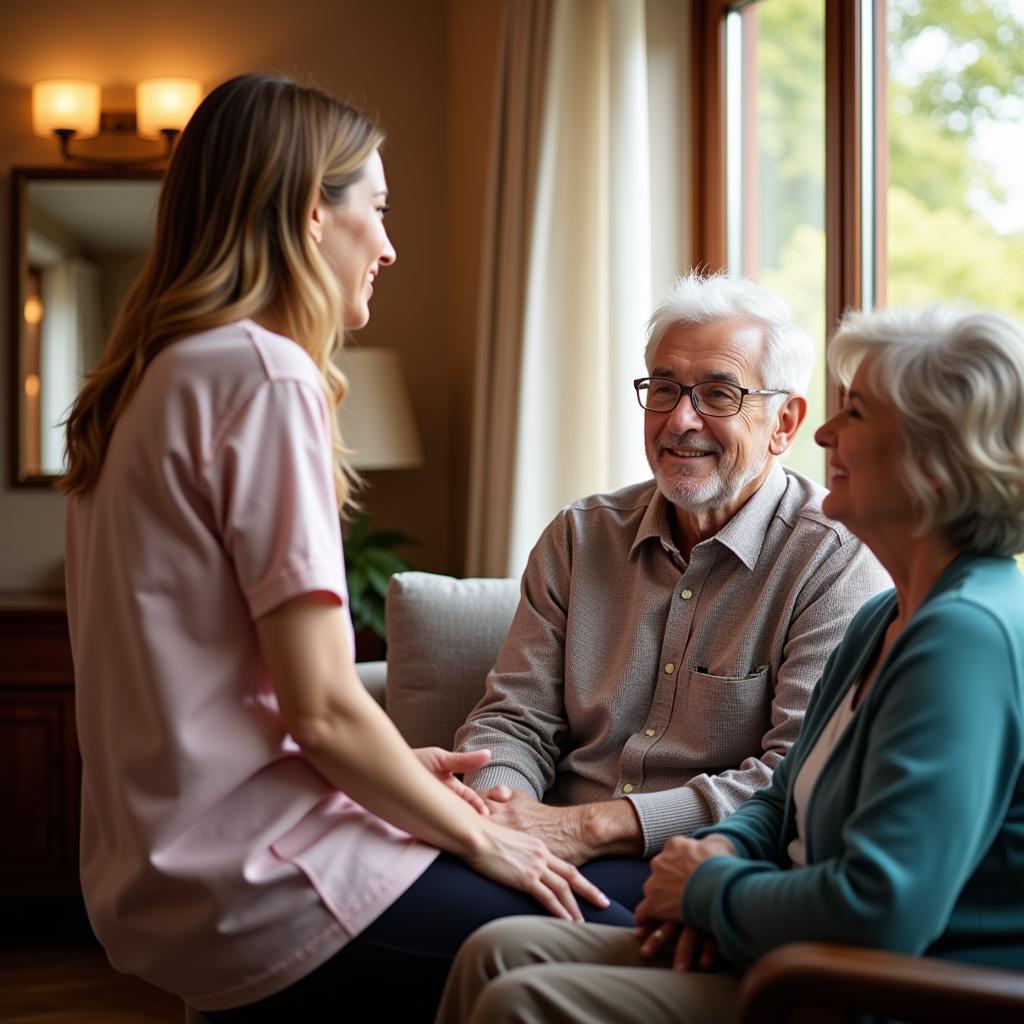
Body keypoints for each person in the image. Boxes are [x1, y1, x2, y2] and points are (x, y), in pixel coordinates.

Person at [61, 72, 615, 1023]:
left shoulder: (145, 385)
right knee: (632, 934)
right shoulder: (262, 374)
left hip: (157, 875)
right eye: (378, 208)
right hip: (263, 880)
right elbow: (322, 705)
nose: (390, 246)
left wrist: (402, 779)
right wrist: (482, 840)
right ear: (312, 213)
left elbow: (232, 691)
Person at [436, 302, 1024, 1024]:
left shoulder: (961, 636)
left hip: (873, 986)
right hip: (763, 918)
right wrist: (709, 853)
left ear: (933, 464)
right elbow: (785, 802)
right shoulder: (890, 616)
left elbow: (881, 907)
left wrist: (705, 887)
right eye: (664, 388)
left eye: (858, 415)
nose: (825, 434)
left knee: (519, 990)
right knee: (494, 951)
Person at [454, 272, 889, 913]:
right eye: (664, 388)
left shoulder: (835, 560)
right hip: (537, 845)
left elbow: (793, 777)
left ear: (784, 421)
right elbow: (512, 720)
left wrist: (590, 828)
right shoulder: (580, 536)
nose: (681, 420)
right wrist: (500, 818)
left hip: (696, 872)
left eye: (718, 394)